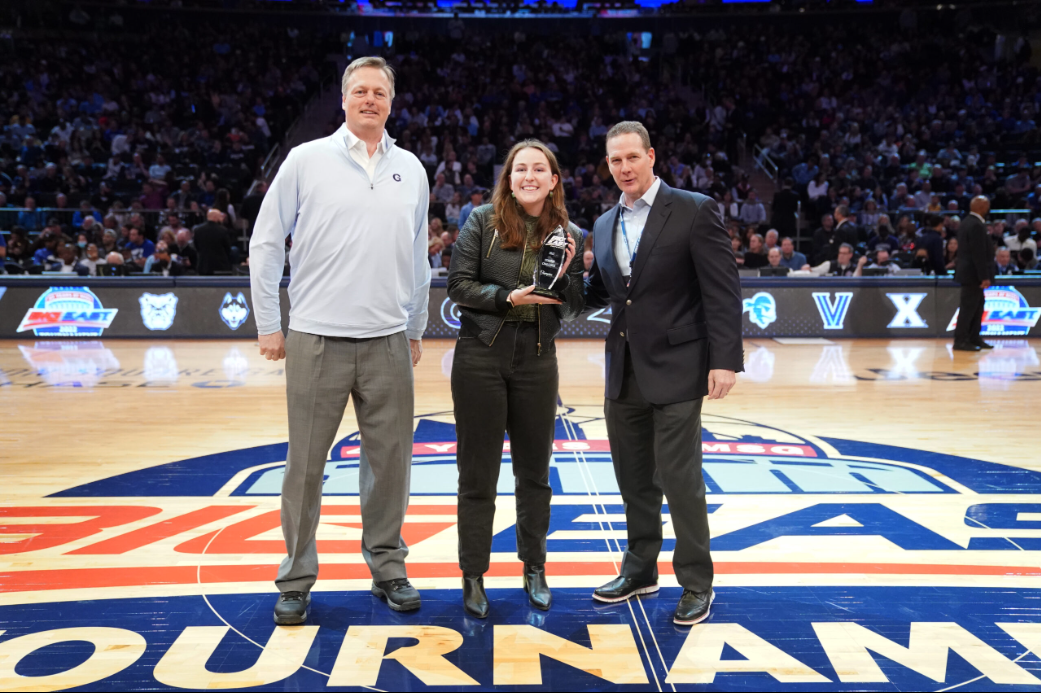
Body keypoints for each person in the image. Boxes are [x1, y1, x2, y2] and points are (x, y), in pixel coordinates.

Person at [249, 56, 431, 625]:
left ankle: (388, 567)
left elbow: (418, 256)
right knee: (304, 465)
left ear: (392, 101)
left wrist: (416, 326)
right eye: (360, 91)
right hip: (315, 338)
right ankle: (296, 577)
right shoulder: (306, 160)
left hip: (386, 340)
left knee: (391, 463)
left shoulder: (412, 169)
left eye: (380, 91)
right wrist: (268, 323)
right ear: (344, 99)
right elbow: (265, 242)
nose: (370, 99)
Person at [585, 122, 743, 626]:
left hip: (679, 367)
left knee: (679, 479)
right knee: (634, 481)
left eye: (633, 157)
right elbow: (601, 292)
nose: (625, 168)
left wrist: (725, 359)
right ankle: (640, 570)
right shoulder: (605, 222)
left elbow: (722, 290)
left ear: (652, 156)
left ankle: (697, 582)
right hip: (623, 370)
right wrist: (555, 280)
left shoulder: (694, 209)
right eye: (615, 161)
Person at [447, 140, 583, 619]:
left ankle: (535, 567)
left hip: (538, 360)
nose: (529, 176)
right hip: (480, 357)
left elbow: (576, 305)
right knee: (477, 474)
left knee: (535, 475)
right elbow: (458, 285)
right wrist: (509, 298)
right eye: (519, 168)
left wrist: (566, 274)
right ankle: (473, 573)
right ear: (509, 177)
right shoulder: (481, 221)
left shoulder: (571, 234)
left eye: (538, 169)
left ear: (553, 180)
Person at [953, 196, 994, 351]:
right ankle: (961, 340)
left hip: (970, 273)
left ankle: (974, 337)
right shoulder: (975, 225)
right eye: (987, 205)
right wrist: (984, 276)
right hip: (973, 275)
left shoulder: (967, 222)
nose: (988, 208)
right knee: (969, 308)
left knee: (977, 307)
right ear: (981, 206)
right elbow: (978, 253)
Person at [193, 208, 233, 275]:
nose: (222, 218)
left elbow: (196, 247)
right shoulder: (223, 230)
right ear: (215, 217)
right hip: (220, 266)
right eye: (220, 216)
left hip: (203, 266)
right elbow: (227, 248)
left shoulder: (197, 230)